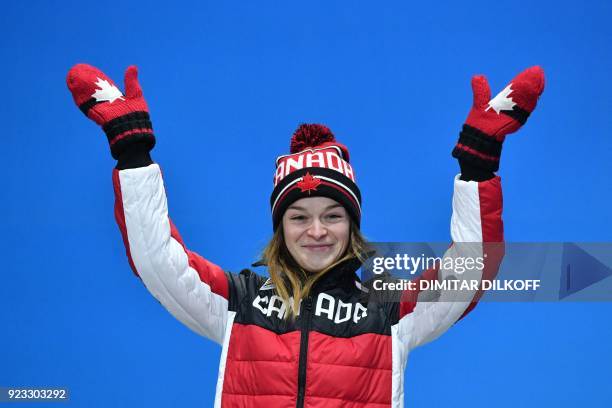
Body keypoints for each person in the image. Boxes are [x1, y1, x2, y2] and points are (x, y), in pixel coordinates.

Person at [67, 64, 544, 407]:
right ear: (280, 229)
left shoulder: (390, 312)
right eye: (298, 217)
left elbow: (472, 269)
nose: (316, 231)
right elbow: (157, 260)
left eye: (333, 216)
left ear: (352, 226)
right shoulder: (239, 303)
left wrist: (478, 167)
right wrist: (133, 157)